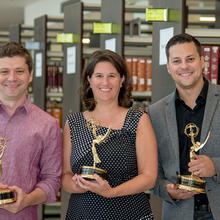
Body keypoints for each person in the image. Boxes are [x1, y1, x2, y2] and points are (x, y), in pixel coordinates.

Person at [62, 49, 158, 219]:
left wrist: (111, 192)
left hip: (129, 213)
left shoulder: (138, 120)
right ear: (89, 80)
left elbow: (149, 177)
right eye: (99, 75)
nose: (105, 82)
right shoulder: (73, 123)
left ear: (122, 80)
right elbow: (65, 175)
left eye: (112, 76)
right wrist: (78, 185)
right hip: (82, 213)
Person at [148, 33, 220, 220]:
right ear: (169, 67)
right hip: (177, 212)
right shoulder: (155, 113)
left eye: (190, 59)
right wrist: (165, 190)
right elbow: (149, 170)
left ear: (202, 61)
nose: (184, 66)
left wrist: (216, 166)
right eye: (177, 61)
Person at [0, 42, 62, 219]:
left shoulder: (47, 124)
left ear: (30, 76)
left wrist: (27, 200)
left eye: (19, 71)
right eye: (4, 71)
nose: (12, 78)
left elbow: (52, 180)